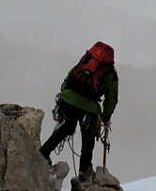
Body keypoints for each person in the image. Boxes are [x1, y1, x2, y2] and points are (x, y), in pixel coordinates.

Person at [39, 42, 118, 180]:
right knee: (88, 140)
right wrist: (105, 118)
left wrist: (65, 95)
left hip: (69, 101)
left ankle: (43, 153)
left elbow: (69, 78)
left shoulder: (85, 61)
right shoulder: (109, 73)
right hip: (89, 109)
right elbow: (111, 98)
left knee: (66, 127)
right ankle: (84, 171)